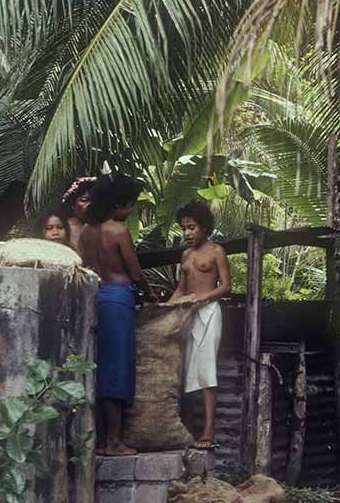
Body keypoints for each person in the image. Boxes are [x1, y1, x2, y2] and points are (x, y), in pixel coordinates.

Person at [80, 174, 156, 456]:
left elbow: (83, 265)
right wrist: (149, 294)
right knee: (117, 369)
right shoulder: (118, 231)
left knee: (101, 367)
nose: (131, 210)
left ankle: (102, 440)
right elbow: (135, 272)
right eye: (130, 205)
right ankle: (114, 442)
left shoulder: (86, 231)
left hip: (96, 297)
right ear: (117, 204)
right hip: (118, 299)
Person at [167, 202, 230, 450]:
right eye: (184, 228)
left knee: (206, 369)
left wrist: (203, 298)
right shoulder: (186, 255)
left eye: (191, 227)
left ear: (204, 227)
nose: (187, 233)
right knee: (186, 370)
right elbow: (181, 289)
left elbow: (226, 286)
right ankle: (188, 429)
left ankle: (208, 431)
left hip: (209, 313)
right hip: (188, 314)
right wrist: (165, 308)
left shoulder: (216, 251)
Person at [62, 176, 96, 252]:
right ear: (72, 204)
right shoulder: (69, 226)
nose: (90, 204)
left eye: (93, 200)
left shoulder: (96, 225)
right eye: (84, 200)